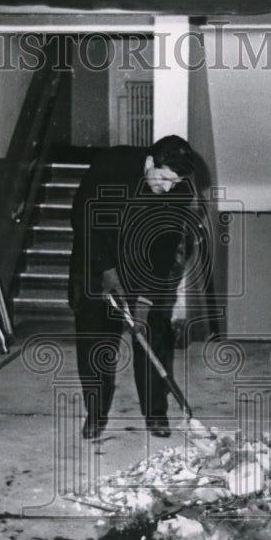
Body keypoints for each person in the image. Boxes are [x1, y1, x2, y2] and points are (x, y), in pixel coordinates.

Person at [68, 135, 198, 440]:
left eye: (175, 182)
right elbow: (83, 218)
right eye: (164, 178)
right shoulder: (110, 164)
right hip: (95, 260)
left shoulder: (178, 192)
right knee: (95, 341)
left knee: (153, 335)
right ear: (150, 162)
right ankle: (95, 413)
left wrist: (144, 301)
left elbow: (165, 249)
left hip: (144, 268)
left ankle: (155, 413)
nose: (169, 187)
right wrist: (108, 273)